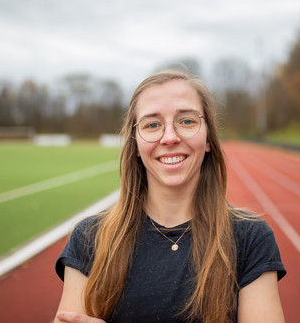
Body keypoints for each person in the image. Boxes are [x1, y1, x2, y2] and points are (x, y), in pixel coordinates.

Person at [54, 70, 286, 323]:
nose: (170, 137)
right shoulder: (89, 238)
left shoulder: (251, 239)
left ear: (208, 138)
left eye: (186, 121)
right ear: (136, 146)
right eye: (152, 125)